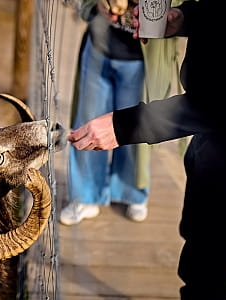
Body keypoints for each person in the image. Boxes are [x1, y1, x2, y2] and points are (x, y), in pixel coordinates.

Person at [68, 1, 226, 299]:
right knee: (204, 274)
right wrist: (185, 18)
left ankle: (131, 193)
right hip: (213, 153)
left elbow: (223, 103)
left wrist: (124, 126)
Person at [60, 0, 150, 226]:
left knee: (135, 129)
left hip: (141, 59)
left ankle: (132, 191)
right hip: (98, 49)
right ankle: (86, 196)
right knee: (87, 122)